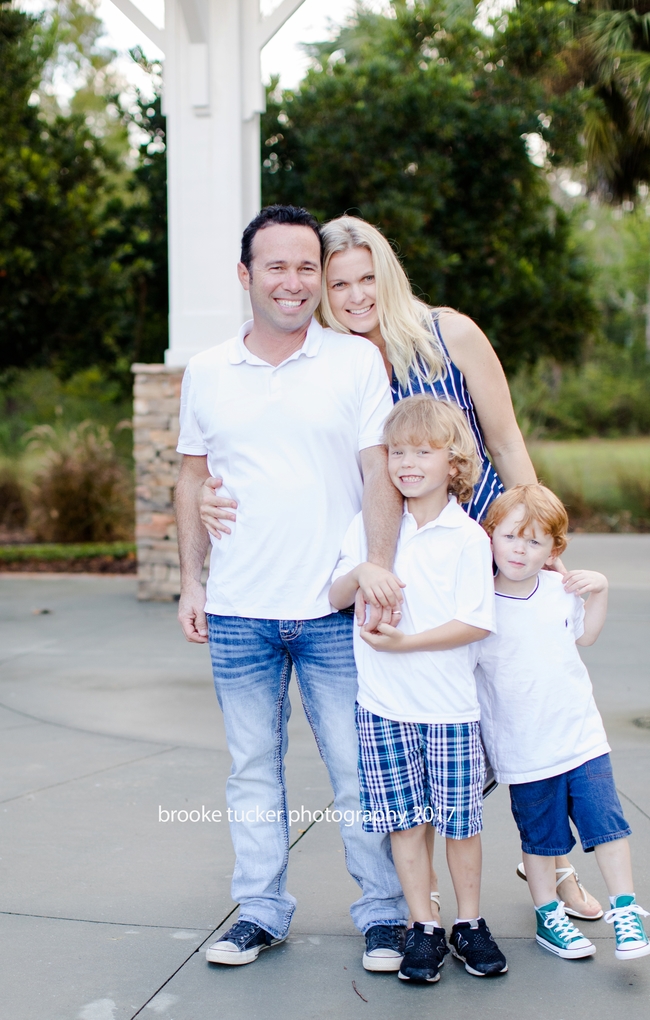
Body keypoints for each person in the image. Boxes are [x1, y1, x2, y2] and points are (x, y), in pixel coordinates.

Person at [200, 214, 602, 920]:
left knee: (525, 717)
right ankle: (426, 893)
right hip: (395, 570)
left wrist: (540, 538)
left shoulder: (451, 335)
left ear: (389, 274)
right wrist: (213, 494)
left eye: (367, 278)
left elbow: (506, 442)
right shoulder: (331, 360)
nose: (356, 296)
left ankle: (555, 868)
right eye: (338, 283)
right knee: (439, 732)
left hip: (483, 551)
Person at [175, 204, 411, 972]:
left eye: (307, 266)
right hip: (240, 610)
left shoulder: (353, 362)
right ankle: (260, 912)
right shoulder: (208, 371)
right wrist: (191, 581)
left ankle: (382, 914)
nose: (295, 281)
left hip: (334, 608)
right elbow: (188, 478)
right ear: (246, 276)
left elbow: (379, 471)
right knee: (250, 769)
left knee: (354, 767)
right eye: (276, 265)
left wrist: (377, 568)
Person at [330, 395, 508, 984]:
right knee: (405, 824)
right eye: (397, 452)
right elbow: (331, 597)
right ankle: (423, 926)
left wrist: (405, 643)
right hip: (383, 708)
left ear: (453, 463)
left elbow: (476, 623)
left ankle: (470, 924)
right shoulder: (369, 527)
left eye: (422, 452)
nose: (406, 463)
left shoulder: (467, 539)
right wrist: (363, 572)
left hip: (449, 711)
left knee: (461, 825)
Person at [475, 484, 650, 961]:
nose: (520, 549)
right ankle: (548, 916)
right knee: (541, 839)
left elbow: (587, 636)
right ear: (489, 535)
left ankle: (625, 910)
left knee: (608, 826)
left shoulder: (559, 591)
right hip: (523, 748)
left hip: (580, 738)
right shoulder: (475, 604)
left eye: (535, 542)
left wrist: (601, 590)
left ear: (554, 550)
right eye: (511, 536)